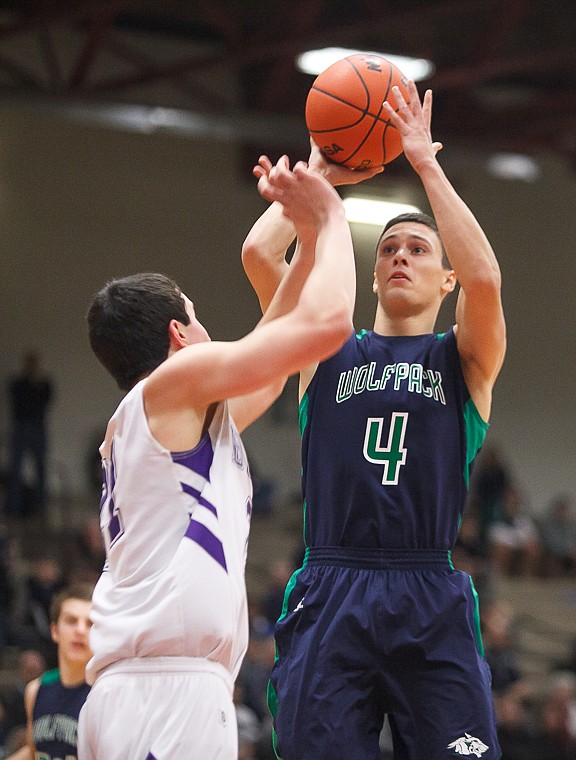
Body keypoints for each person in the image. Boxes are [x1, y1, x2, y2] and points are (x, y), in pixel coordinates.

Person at [242, 80, 506, 760]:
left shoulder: (464, 359)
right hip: (333, 584)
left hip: (428, 589)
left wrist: (424, 161)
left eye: (418, 250)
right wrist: (321, 168)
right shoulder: (324, 348)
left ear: (443, 281)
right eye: (388, 248)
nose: (399, 256)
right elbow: (261, 255)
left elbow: (486, 281)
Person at [77, 158, 355, 760]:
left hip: (145, 691)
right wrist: (332, 221)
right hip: (165, 694)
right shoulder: (175, 384)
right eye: (198, 315)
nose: (208, 329)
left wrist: (312, 208)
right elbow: (326, 325)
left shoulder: (166, 416)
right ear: (179, 334)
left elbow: (272, 362)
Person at [5, 584, 92, 760]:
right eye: (71, 621)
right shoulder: (36, 690)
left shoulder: (104, 693)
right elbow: (33, 751)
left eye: (90, 623)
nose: (80, 630)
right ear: (54, 631)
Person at [4, 350, 54, 520]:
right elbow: (19, 404)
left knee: (41, 469)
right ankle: (13, 509)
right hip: (21, 427)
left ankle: (40, 508)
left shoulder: (44, 383)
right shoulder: (18, 384)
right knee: (16, 469)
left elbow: (45, 402)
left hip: (38, 427)